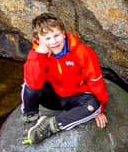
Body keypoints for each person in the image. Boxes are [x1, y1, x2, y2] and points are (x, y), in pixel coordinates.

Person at [20, 14, 110, 144]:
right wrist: (39, 55)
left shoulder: (82, 52)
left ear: (63, 33)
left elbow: (95, 79)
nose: (53, 42)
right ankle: (30, 116)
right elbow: (32, 83)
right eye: (47, 38)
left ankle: (50, 125)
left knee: (93, 106)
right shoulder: (38, 54)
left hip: (74, 96)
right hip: (52, 97)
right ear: (38, 40)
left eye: (56, 35)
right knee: (29, 84)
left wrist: (99, 109)